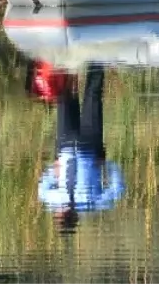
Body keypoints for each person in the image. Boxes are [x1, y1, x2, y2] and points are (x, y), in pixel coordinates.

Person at [37, 64, 124, 231]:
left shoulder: (53, 200)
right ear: (73, 216)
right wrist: (107, 166)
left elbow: (41, 189)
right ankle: (96, 59)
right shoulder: (92, 203)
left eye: (60, 213)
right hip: (89, 147)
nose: (62, 210)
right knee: (92, 96)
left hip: (66, 145)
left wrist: (51, 171)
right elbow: (117, 189)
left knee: (65, 97)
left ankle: (70, 58)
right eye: (64, 214)